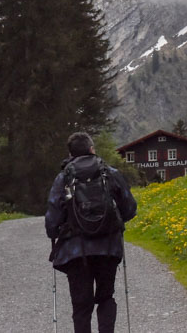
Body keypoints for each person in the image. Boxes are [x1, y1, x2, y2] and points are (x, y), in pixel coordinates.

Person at [46, 132, 137, 333]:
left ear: (70, 153)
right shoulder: (110, 173)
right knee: (106, 298)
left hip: (75, 252)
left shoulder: (63, 178)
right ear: (91, 149)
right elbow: (130, 208)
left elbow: (52, 220)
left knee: (81, 306)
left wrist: (56, 232)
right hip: (108, 248)